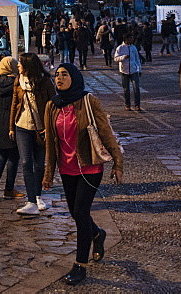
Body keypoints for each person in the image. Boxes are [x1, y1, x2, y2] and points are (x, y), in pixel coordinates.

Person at [43, 63, 124, 286]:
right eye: (57, 75)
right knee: (76, 212)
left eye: (64, 75)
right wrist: (48, 173)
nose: (59, 79)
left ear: (75, 78)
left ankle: (80, 266)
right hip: (66, 168)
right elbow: (51, 142)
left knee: (80, 212)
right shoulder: (52, 105)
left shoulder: (89, 101)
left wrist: (118, 164)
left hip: (90, 166)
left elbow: (106, 133)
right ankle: (97, 234)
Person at [10, 53, 56, 215]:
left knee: (39, 164)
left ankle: (37, 196)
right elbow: (14, 105)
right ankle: (31, 202)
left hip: (41, 129)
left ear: (29, 65)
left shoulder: (45, 83)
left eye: (21, 64)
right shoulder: (18, 82)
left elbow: (54, 105)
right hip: (22, 126)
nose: (18, 66)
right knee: (25, 163)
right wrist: (11, 127)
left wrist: (49, 127)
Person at [0, 57, 22, 199]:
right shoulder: (16, 82)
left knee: (1, 153)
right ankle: (9, 189)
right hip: (10, 120)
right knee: (13, 155)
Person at [114, 32, 143, 111]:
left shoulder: (133, 48)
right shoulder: (120, 48)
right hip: (124, 71)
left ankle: (137, 105)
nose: (132, 39)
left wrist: (139, 69)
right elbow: (116, 58)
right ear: (126, 39)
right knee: (126, 89)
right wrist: (123, 57)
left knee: (136, 88)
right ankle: (128, 104)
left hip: (134, 70)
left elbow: (137, 59)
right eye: (130, 38)